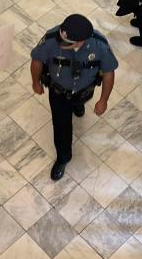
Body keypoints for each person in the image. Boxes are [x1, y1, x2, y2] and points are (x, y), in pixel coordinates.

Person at [30, 14, 118, 180]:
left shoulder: (99, 45)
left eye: (67, 44)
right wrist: (36, 82)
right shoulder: (51, 39)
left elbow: (108, 73)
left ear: (80, 42)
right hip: (59, 92)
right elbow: (37, 61)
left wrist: (103, 100)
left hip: (84, 90)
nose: (61, 44)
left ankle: (78, 105)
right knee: (61, 125)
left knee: (80, 103)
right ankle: (63, 157)